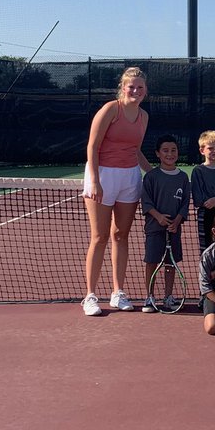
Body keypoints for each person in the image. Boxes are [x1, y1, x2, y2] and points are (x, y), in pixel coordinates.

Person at [81, 66, 151, 317]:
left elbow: (136, 150)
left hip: (129, 177)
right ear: (123, 87)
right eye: (131, 87)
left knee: (121, 235)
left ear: (145, 91)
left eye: (140, 87)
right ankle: (90, 296)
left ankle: (118, 292)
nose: (135, 91)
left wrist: (154, 175)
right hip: (103, 175)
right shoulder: (111, 109)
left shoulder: (143, 116)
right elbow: (93, 146)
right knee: (99, 237)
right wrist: (95, 181)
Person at [140, 135, 190, 313]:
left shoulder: (183, 177)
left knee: (170, 264)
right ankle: (149, 297)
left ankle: (168, 297)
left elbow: (185, 203)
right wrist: (159, 217)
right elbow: (146, 203)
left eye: (173, 150)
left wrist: (177, 221)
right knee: (151, 262)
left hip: (174, 229)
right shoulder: (151, 177)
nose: (170, 154)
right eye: (165, 150)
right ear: (158, 154)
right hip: (154, 228)